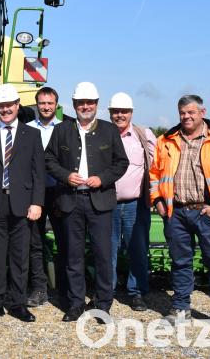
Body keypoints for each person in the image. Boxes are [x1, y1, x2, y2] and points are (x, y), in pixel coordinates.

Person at [150, 95, 210, 333]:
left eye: (191, 112)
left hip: (207, 212)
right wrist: (159, 201)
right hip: (176, 213)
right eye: (182, 112)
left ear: (202, 112)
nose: (186, 116)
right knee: (180, 262)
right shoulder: (167, 140)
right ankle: (181, 308)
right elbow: (154, 174)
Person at [45, 82, 128, 322]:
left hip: (100, 202)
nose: (85, 106)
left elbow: (121, 163)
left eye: (89, 102)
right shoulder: (62, 130)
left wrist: (101, 178)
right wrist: (65, 175)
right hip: (70, 201)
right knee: (73, 255)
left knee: (103, 255)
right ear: (74, 105)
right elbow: (49, 159)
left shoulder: (109, 131)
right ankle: (75, 303)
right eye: (81, 103)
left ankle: (102, 304)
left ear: (96, 104)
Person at [0, 84, 45, 322]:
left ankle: (18, 304)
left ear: (17, 106)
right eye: (1, 106)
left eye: (9, 105)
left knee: (20, 257)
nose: (5, 110)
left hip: (22, 204)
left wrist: (37, 203)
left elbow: (38, 173)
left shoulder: (31, 135)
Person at [108, 92, 156, 312]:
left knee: (137, 249)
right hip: (106, 203)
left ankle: (136, 293)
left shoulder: (144, 135)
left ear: (131, 112)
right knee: (107, 251)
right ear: (109, 113)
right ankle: (106, 292)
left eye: (124, 111)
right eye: (116, 111)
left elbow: (155, 168)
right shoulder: (102, 135)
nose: (120, 115)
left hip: (136, 204)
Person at [24, 86, 62, 308]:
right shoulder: (26, 130)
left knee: (66, 242)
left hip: (61, 193)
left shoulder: (67, 129)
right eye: (42, 103)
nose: (46, 107)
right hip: (34, 195)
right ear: (36, 105)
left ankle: (67, 289)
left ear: (56, 104)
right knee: (34, 243)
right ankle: (39, 288)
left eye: (50, 103)